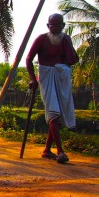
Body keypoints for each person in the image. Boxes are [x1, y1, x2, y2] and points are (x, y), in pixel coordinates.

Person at [26, 13, 79, 164]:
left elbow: (73, 59)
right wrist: (32, 78)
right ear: (48, 26)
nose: (55, 28)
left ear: (63, 26)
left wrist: (63, 64)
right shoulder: (41, 39)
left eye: (58, 25)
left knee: (57, 113)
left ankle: (46, 150)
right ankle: (60, 151)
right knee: (53, 112)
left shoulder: (66, 40)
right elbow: (29, 59)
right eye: (52, 25)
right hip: (46, 76)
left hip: (61, 77)